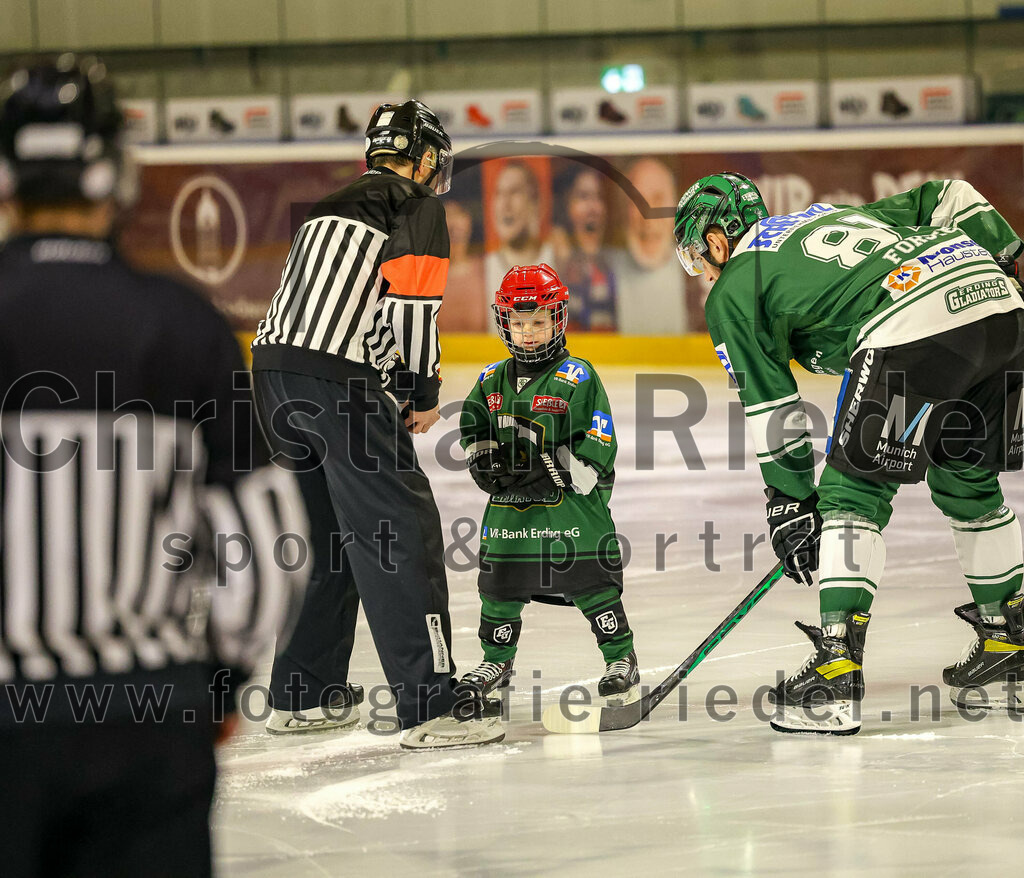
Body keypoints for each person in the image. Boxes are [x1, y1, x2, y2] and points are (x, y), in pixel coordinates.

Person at [0, 57, 307, 877]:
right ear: (116, 175)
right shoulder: (183, 327)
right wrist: (221, 684)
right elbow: (269, 545)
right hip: (144, 722)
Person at [674, 172, 1024, 735]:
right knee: (966, 479)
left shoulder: (735, 286)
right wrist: (1003, 254)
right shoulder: (826, 216)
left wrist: (790, 500)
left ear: (716, 242)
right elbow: (949, 195)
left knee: (851, 494)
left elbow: (772, 407)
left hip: (913, 322)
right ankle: (1013, 646)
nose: (704, 274)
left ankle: (835, 674)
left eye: (698, 259)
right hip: (1002, 308)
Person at [251, 100, 503, 748]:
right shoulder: (413, 205)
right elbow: (411, 310)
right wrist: (420, 389)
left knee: (324, 537)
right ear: (425, 157)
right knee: (399, 529)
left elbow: (338, 307)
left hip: (273, 375)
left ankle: (303, 695)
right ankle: (431, 703)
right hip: (339, 382)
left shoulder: (326, 207)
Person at [458, 264, 639, 702]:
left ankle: (621, 657)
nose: (528, 333)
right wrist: (483, 460)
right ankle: (496, 661)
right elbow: (473, 425)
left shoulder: (577, 375)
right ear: (504, 322)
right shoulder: (490, 379)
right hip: (510, 509)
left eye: (538, 322)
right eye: (518, 323)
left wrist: (556, 470)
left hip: (568, 508)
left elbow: (599, 438)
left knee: (591, 581)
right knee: (500, 583)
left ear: (558, 319)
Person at [610, 157, 688, 333]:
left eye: (658, 199)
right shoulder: (601, 273)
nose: (649, 216)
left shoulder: (702, 280)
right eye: (636, 202)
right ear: (623, 212)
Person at [551, 167, 619, 331]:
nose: (593, 207)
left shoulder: (616, 261)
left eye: (598, 197)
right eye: (583, 196)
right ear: (566, 205)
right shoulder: (554, 260)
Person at [484, 161, 555, 297]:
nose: (505, 204)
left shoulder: (558, 260)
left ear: (536, 203)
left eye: (514, 192)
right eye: (499, 193)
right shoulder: (483, 270)